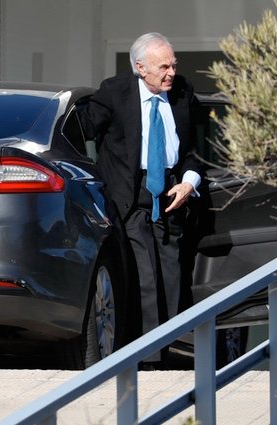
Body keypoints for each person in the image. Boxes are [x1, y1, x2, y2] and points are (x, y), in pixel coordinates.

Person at [79, 32, 204, 368]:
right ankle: (149, 358)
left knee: (172, 273)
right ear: (140, 68)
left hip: (172, 193)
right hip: (128, 195)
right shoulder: (113, 92)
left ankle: (172, 349)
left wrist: (190, 182)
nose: (171, 73)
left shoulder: (182, 93)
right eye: (163, 66)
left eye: (173, 65)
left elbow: (194, 150)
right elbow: (82, 129)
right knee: (144, 274)